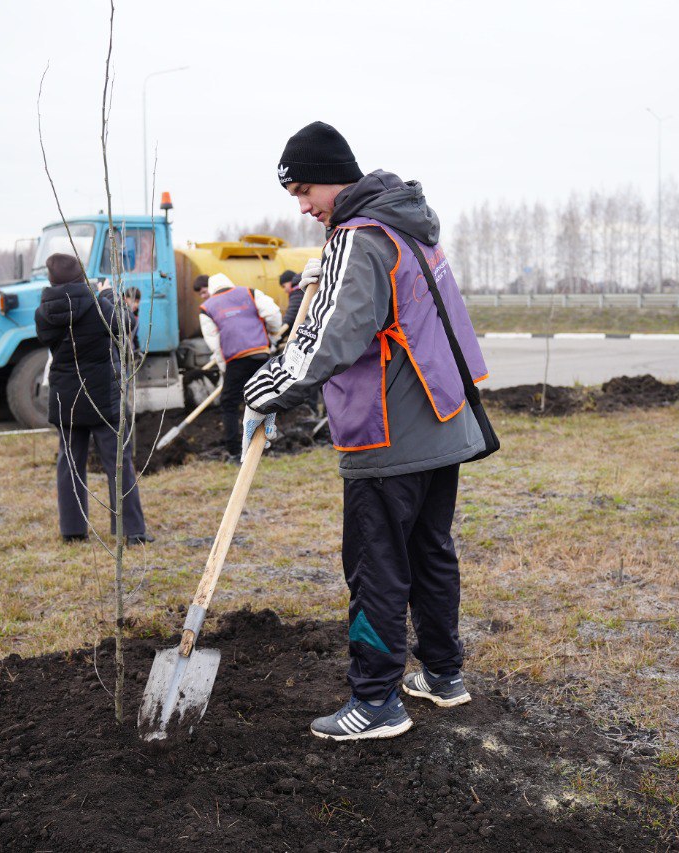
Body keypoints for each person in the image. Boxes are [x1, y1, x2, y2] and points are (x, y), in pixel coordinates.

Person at [243, 121, 491, 741]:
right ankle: (442, 674)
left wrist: (266, 392)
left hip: (390, 432)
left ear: (335, 178)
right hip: (442, 422)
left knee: (376, 565)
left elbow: (332, 335)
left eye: (305, 191)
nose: (302, 206)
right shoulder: (408, 227)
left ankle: (377, 703)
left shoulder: (360, 236)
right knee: (429, 553)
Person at [34, 253, 152, 546]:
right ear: (81, 276)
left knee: (70, 463)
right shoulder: (99, 305)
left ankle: (72, 531)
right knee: (117, 463)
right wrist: (109, 293)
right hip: (102, 397)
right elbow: (125, 323)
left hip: (65, 397)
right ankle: (131, 531)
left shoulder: (43, 312)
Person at [197, 272, 283, 459]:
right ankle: (269, 444)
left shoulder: (206, 308)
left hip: (235, 359)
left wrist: (223, 368)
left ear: (211, 290)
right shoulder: (250, 292)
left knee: (229, 403)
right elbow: (273, 314)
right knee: (266, 398)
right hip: (261, 353)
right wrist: (273, 338)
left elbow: (215, 343)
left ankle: (235, 451)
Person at [278, 269, 304, 335]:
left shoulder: (297, 290)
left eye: (284, 286)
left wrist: (278, 336)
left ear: (289, 281)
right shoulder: (302, 286)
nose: (284, 290)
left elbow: (292, 313)